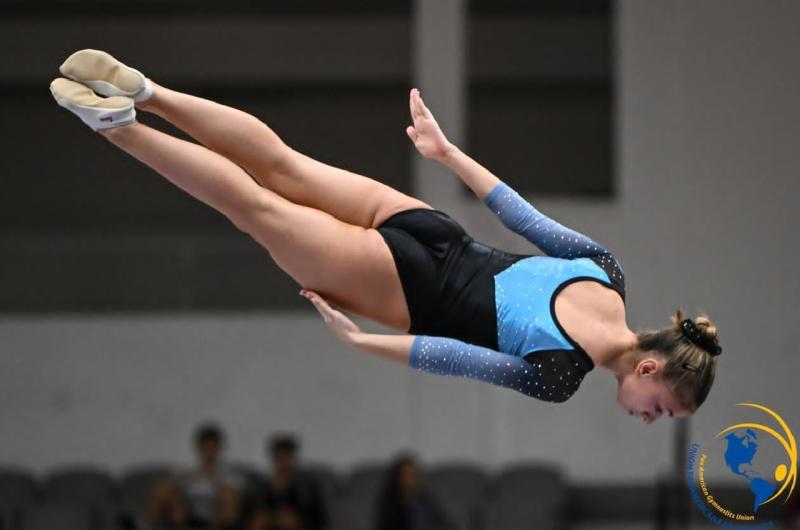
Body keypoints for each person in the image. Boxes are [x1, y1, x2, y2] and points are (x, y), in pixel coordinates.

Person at [50, 49, 721, 423]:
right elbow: (451, 357)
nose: (647, 418)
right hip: (409, 289)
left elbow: (517, 214)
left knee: (281, 164)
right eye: (659, 408)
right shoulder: (559, 376)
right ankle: (121, 126)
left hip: (436, 233)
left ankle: (149, 89)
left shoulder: (609, 272)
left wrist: (446, 153)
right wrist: (362, 341)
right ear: (649, 368)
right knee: (257, 209)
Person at [147, 423, 242, 529]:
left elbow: (233, 496)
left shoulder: (228, 474)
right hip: (186, 510)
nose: (209, 451)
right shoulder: (187, 471)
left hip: (214, 513)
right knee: (163, 489)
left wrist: (214, 480)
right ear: (199, 448)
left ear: (218, 449)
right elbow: (172, 487)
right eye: (206, 447)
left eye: (212, 447)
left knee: (228, 495)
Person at [249, 435, 327, 530]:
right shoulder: (259, 491)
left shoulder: (308, 490)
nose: (284, 463)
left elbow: (321, 522)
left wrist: (298, 522)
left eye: (287, 457)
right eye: (280, 458)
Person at [374, 454, 452, 530]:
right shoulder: (391, 504)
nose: (411, 480)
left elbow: (446, 523)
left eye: (413, 475)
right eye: (406, 476)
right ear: (398, 478)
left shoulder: (426, 498)